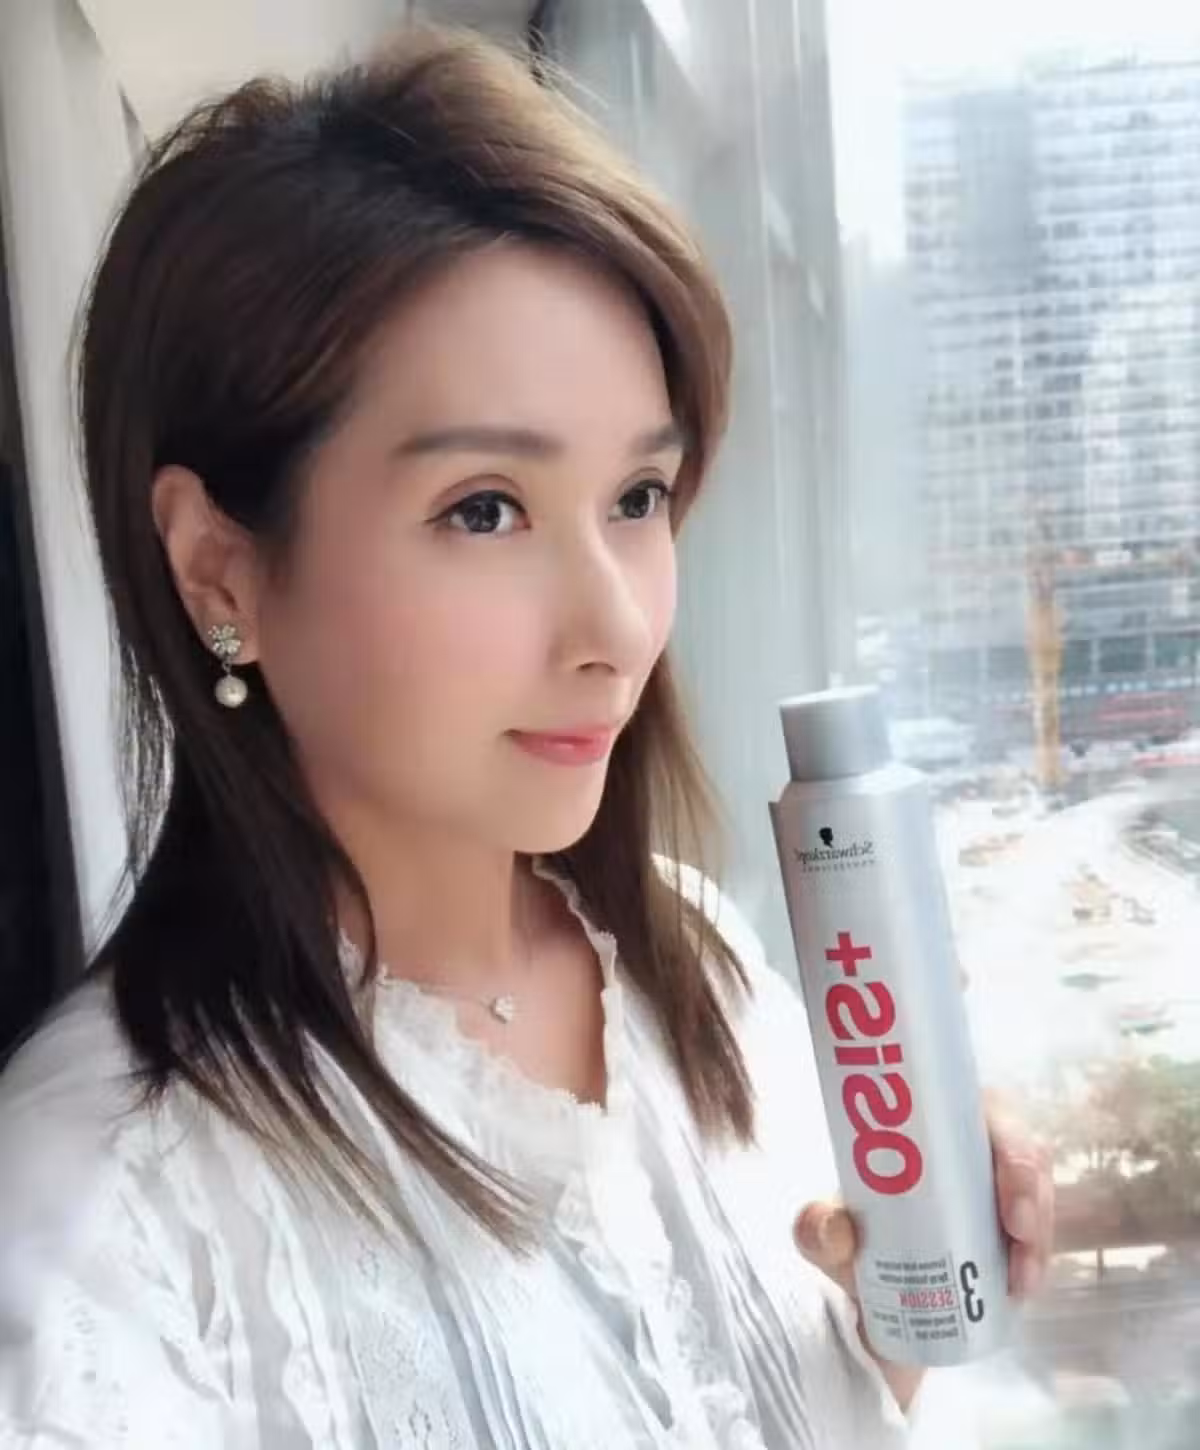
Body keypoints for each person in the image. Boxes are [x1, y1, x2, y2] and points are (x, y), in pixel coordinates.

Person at [0, 26, 1052, 1449]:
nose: (617, 625)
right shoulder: (97, 1225)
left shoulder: (700, 971)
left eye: (638, 497)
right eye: (485, 509)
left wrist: (886, 1331)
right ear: (219, 568)